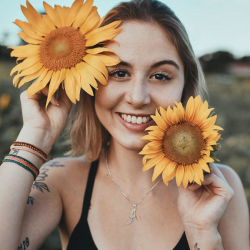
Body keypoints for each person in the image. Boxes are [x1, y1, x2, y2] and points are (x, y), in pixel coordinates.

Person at [0, 0, 249, 249]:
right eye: (119, 73)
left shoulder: (219, 189)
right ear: (90, 81)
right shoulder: (60, 180)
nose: (137, 97)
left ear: (185, 85)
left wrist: (202, 234)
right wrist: (36, 137)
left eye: (160, 76)